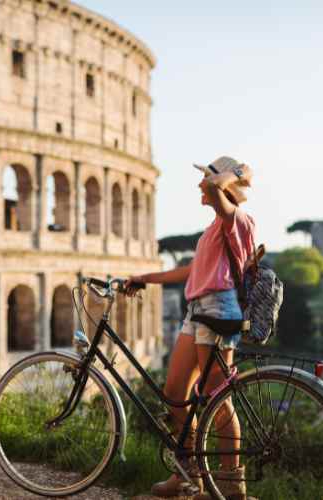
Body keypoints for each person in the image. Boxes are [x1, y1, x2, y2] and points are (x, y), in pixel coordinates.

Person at [125, 156, 254, 500]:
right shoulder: (214, 228)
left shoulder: (237, 219)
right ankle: (188, 473)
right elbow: (191, 271)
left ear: (224, 187)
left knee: (217, 399)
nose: (200, 185)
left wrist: (223, 177)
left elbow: (217, 190)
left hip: (218, 310)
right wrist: (146, 278)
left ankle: (231, 484)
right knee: (176, 392)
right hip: (196, 310)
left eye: (206, 181)